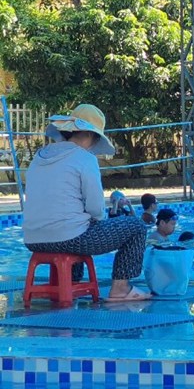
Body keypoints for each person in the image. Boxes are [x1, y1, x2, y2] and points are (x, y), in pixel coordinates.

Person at [22, 104, 149, 302]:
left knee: (77, 223)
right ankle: (121, 288)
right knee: (136, 227)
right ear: (91, 135)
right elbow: (96, 209)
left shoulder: (39, 157)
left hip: (33, 238)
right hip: (70, 238)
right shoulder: (85, 159)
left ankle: (69, 281)